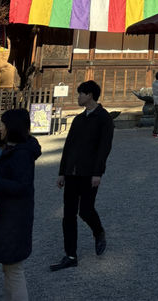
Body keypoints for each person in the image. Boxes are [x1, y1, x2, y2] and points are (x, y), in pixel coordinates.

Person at [50, 80, 114, 272]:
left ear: (90, 95)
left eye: (80, 94)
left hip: (89, 173)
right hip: (71, 172)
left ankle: (98, 231)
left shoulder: (104, 119)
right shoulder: (78, 119)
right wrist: (62, 171)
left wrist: (98, 173)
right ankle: (70, 255)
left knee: (85, 210)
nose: (78, 97)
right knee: (68, 214)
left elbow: (104, 148)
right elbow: (68, 146)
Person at [0, 108, 41, 301]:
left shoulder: (21, 154)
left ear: (11, 127)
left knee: (13, 268)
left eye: (2, 124)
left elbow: (22, 186)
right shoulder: (7, 147)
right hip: (2, 216)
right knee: (11, 268)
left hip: (11, 219)